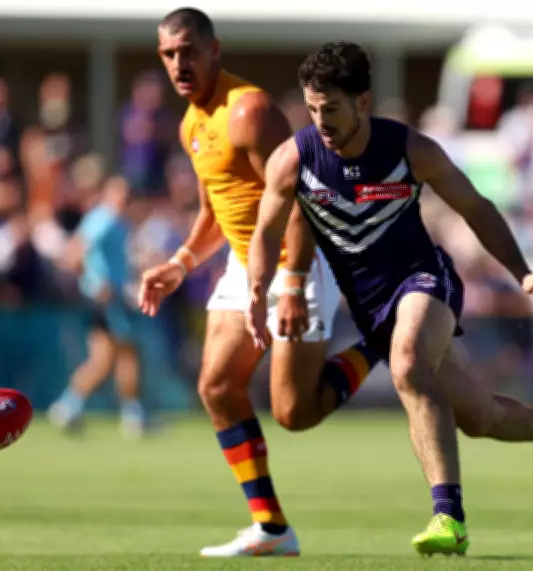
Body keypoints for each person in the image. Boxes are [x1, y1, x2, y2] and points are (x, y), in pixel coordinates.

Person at [245, 41, 533, 558]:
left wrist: (522, 272)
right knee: (479, 418)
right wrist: (257, 292)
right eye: (312, 109)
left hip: (425, 280)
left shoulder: (411, 150)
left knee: (405, 364)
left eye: (330, 109)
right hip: (372, 307)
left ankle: (449, 516)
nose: (320, 121)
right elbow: (266, 233)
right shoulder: (294, 160)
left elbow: (476, 207)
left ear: (363, 101)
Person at [137, 10, 382, 557]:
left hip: (299, 260)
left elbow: (302, 196)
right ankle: (272, 527)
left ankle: (380, 342)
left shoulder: (247, 110)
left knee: (295, 413)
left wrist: (291, 283)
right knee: (217, 387)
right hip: (245, 268)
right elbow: (214, 211)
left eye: (187, 50)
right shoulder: (190, 124)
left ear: (213, 50)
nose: (179, 62)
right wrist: (180, 261)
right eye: (168, 53)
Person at [48, 175, 147, 439]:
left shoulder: (117, 221)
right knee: (126, 353)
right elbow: (76, 251)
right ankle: (132, 415)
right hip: (108, 299)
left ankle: (70, 405)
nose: (124, 198)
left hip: (114, 296)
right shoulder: (103, 219)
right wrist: (93, 282)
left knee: (106, 359)